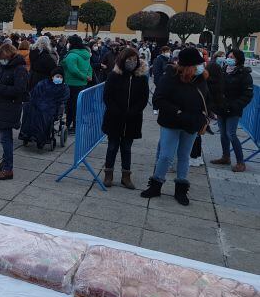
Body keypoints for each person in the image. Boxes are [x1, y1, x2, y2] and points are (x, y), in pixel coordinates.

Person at [141, 47, 209, 206]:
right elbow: (158, 99)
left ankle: (181, 189)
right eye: (199, 64)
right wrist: (178, 112)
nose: (202, 66)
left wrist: (205, 114)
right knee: (166, 155)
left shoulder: (201, 78)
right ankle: (156, 185)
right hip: (171, 122)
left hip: (192, 123)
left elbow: (206, 98)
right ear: (188, 66)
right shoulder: (170, 77)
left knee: (184, 156)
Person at [101, 48, 150, 189]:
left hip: (132, 119)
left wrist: (133, 111)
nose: (132, 62)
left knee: (127, 148)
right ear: (123, 60)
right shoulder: (114, 76)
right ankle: (108, 174)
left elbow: (144, 98)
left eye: (135, 60)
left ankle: (126, 176)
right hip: (114, 118)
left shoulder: (141, 78)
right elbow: (107, 97)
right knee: (112, 147)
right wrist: (116, 110)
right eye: (129, 60)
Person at [0, 44, 28, 180]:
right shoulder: (5, 67)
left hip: (10, 107)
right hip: (2, 105)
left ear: (8, 55)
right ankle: (5, 162)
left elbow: (19, 90)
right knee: (5, 137)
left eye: (2, 58)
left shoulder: (19, 69)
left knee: (6, 138)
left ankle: (8, 169)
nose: (1, 61)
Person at [210, 50, 254, 172]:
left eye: (232, 57)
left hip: (233, 109)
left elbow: (247, 94)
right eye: (228, 56)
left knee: (231, 134)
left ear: (238, 59)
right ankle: (226, 157)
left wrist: (235, 105)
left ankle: (240, 162)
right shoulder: (222, 70)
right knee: (223, 134)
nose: (229, 58)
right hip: (221, 108)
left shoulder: (244, 74)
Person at [19, 67, 69, 150]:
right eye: (57, 76)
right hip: (40, 103)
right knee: (28, 107)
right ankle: (26, 134)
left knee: (43, 113)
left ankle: (41, 138)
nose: (59, 78)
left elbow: (63, 100)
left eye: (60, 77)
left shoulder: (64, 88)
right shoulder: (43, 83)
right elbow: (34, 94)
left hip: (52, 106)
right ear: (52, 77)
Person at [61, 35, 92, 133]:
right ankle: (75, 125)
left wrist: (84, 76)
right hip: (82, 84)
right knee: (78, 105)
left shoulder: (72, 55)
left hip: (72, 83)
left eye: (69, 42)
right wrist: (88, 76)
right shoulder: (86, 54)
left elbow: (73, 70)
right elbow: (90, 67)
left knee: (70, 106)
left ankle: (69, 125)